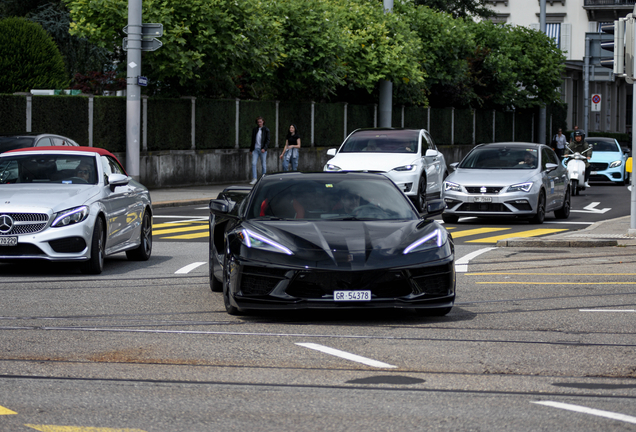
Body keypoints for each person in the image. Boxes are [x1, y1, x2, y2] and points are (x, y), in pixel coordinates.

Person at [250, 116, 270, 185]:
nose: (259, 123)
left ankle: (263, 178)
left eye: (260, 122)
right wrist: (251, 149)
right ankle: (254, 178)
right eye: (258, 122)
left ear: (263, 122)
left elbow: (268, 140)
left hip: (262, 150)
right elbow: (253, 140)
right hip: (255, 149)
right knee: (253, 163)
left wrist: (264, 148)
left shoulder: (266, 130)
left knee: (263, 164)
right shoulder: (255, 129)